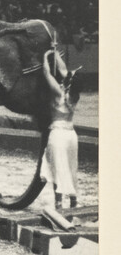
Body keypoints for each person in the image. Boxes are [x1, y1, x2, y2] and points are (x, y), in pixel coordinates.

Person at [39, 48, 83, 231]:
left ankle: (59, 208)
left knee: (57, 170)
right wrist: (55, 54)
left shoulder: (58, 93)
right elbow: (65, 71)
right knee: (71, 170)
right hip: (71, 135)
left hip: (58, 135)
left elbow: (46, 73)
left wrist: (45, 57)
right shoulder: (73, 95)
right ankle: (73, 207)